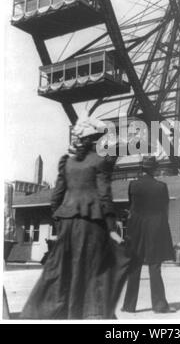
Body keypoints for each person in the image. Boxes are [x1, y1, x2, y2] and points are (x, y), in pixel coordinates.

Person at [20, 116, 121, 319]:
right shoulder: (100, 161)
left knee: (62, 270)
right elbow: (104, 195)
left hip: (67, 222)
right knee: (93, 269)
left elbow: (56, 197)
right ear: (94, 139)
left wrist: (60, 220)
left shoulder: (66, 161)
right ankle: (91, 314)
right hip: (91, 223)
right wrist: (111, 227)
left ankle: (46, 313)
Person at [121, 156, 176, 314]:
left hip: (136, 228)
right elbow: (165, 209)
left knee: (134, 266)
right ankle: (159, 306)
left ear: (141, 168)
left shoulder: (133, 185)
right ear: (155, 169)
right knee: (155, 266)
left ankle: (129, 306)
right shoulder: (161, 187)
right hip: (155, 228)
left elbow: (132, 208)